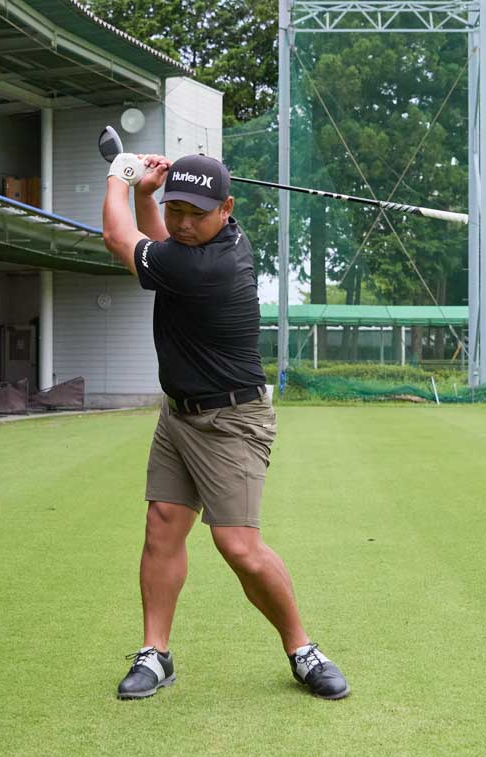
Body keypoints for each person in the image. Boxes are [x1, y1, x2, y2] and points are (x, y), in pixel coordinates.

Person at [100, 149, 350, 701]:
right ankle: (155, 653)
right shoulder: (200, 246)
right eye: (177, 209)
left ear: (226, 208)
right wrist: (148, 194)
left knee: (238, 546)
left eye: (197, 213)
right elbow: (158, 243)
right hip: (179, 413)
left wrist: (120, 173)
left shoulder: (210, 266)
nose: (183, 223)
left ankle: (303, 649)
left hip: (231, 420)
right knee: (163, 525)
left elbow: (120, 239)